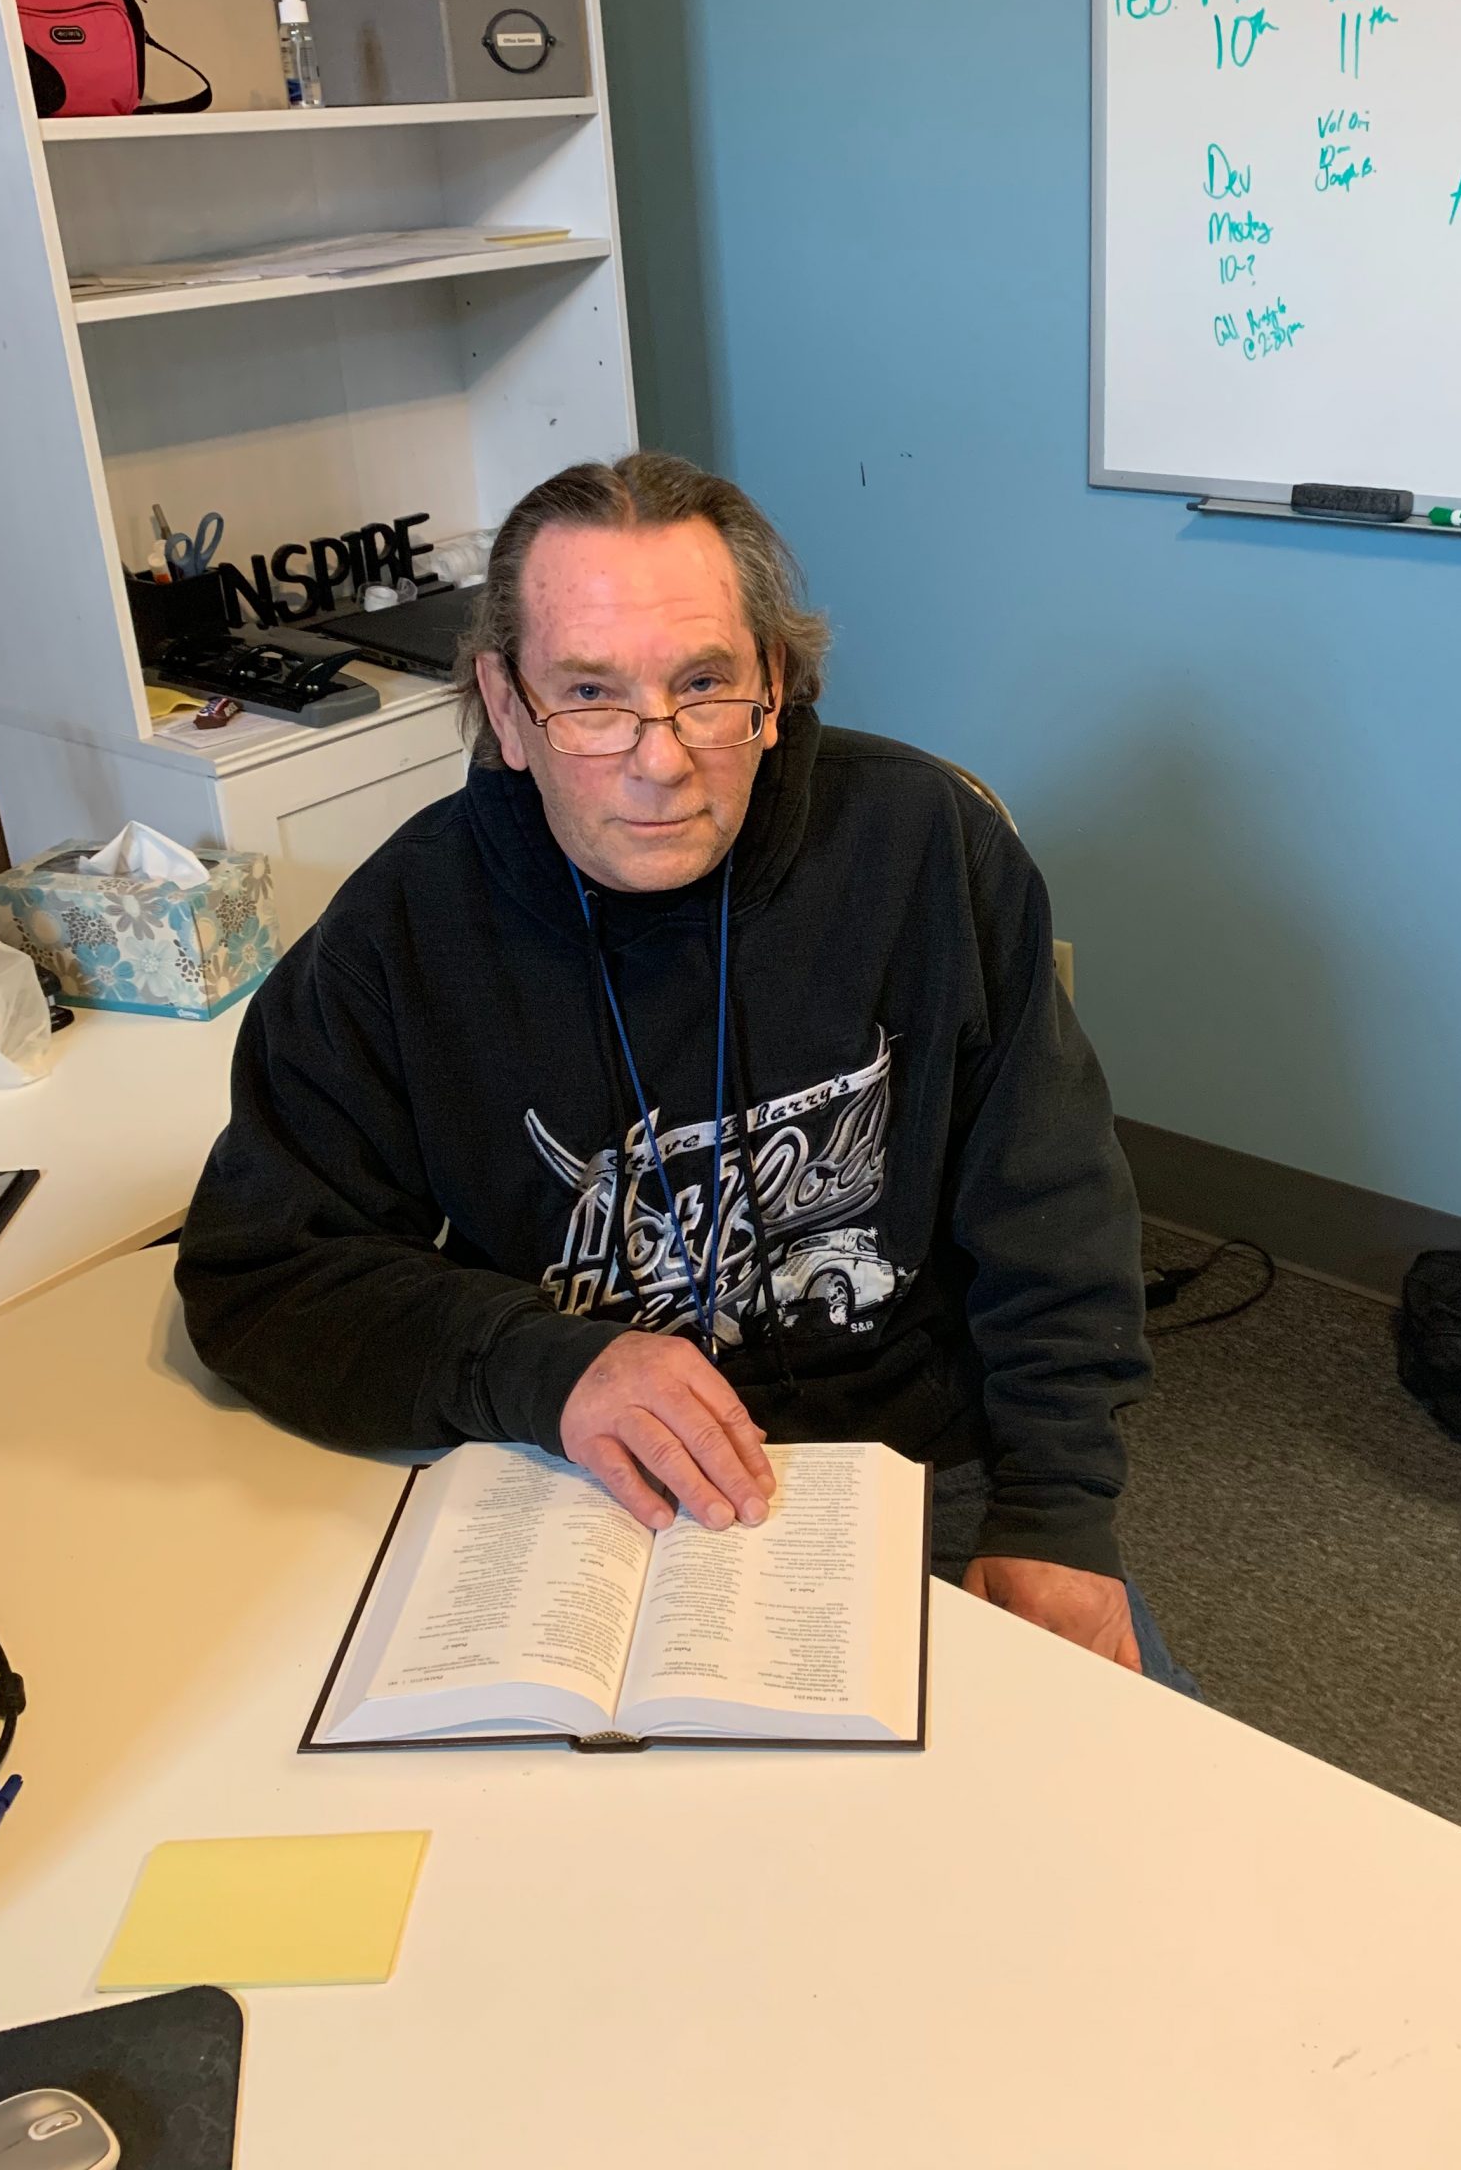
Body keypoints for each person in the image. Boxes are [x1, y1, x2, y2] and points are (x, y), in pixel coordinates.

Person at [178, 452, 1195, 1692]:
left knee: (1121, 1854)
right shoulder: (399, 930)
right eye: (591, 695)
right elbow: (260, 1275)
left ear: (775, 680)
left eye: (704, 685)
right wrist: (542, 1364)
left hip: (919, 1481)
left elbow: (1056, 1218)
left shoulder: (928, 848)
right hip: (580, 1491)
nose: (658, 759)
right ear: (506, 710)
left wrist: (1056, 1518)